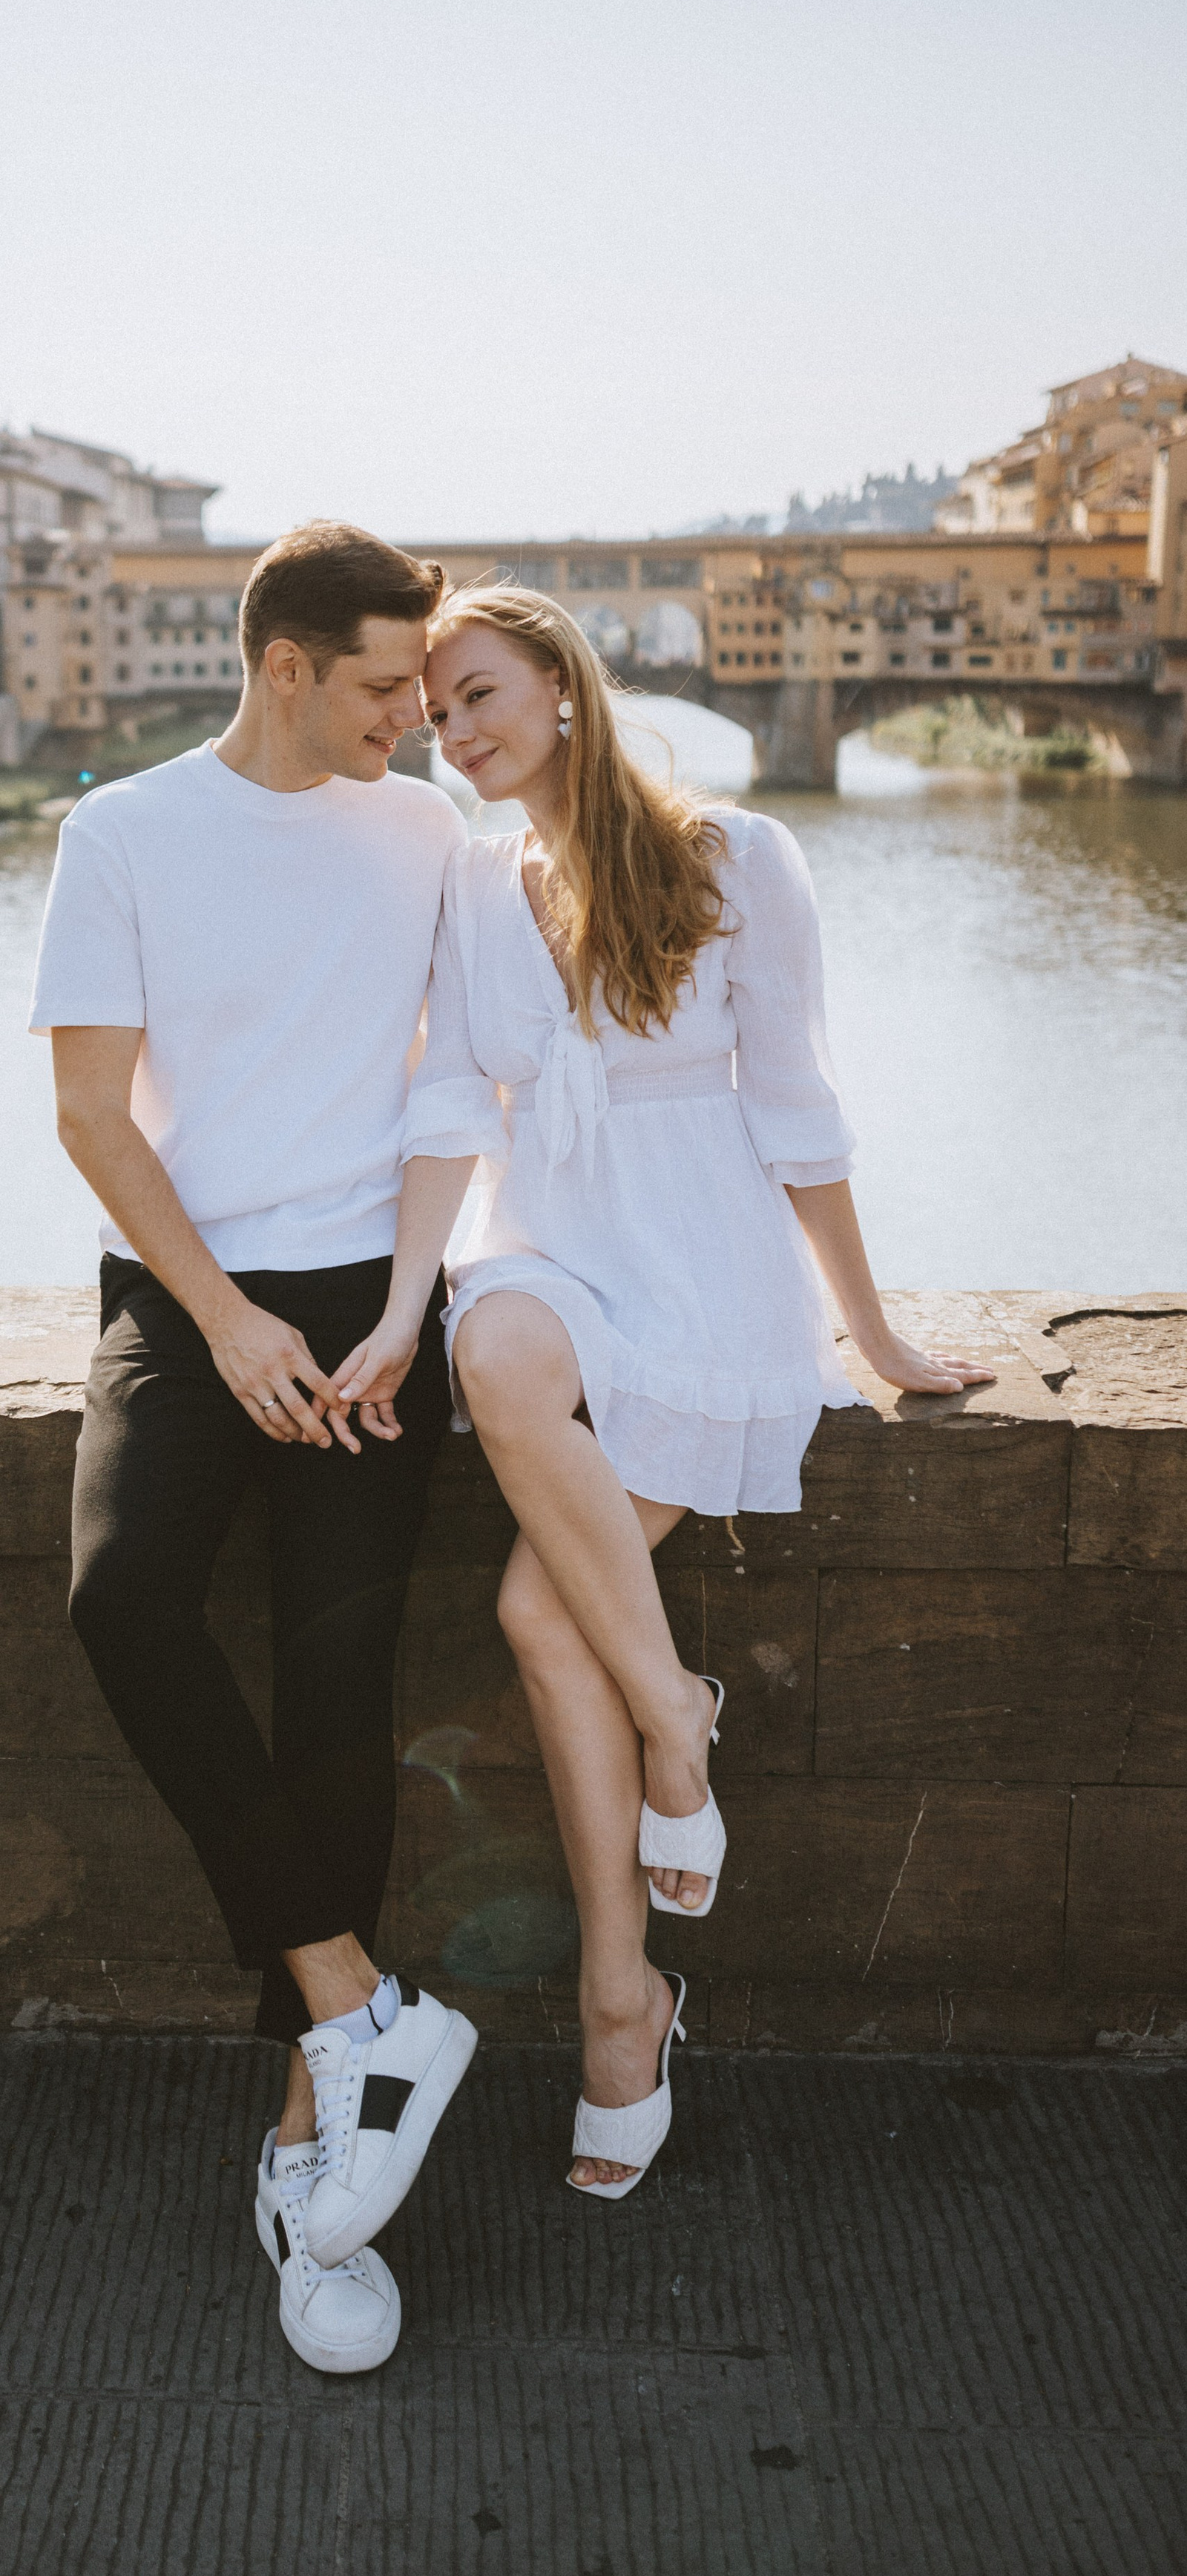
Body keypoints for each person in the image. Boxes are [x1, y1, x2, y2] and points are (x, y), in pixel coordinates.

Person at [328, 585, 993, 2200]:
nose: (455, 729)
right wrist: (405, 1307)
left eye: (478, 692)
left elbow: (797, 1113)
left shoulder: (736, 858)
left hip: (706, 1273)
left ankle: (619, 2000)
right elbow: (441, 1106)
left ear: (559, 683)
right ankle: (672, 1724)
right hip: (550, 1251)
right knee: (493, 1352)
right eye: (433, 711)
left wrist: (875, 1336)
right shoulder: (469, 877)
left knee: (541, 1617)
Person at [30, 522, 479, 2375]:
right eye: (386, 683)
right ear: (285, 665)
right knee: (122, 1598)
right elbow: (85, 1109)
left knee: (335, 1689)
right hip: (185, 1294)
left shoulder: (429, 832)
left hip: (375, 1298)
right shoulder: (121, 832)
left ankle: (317, 2162)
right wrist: (220, 1319)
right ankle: (358, 2008)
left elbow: (458, 1077)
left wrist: (402, 1307)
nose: (416, 713)